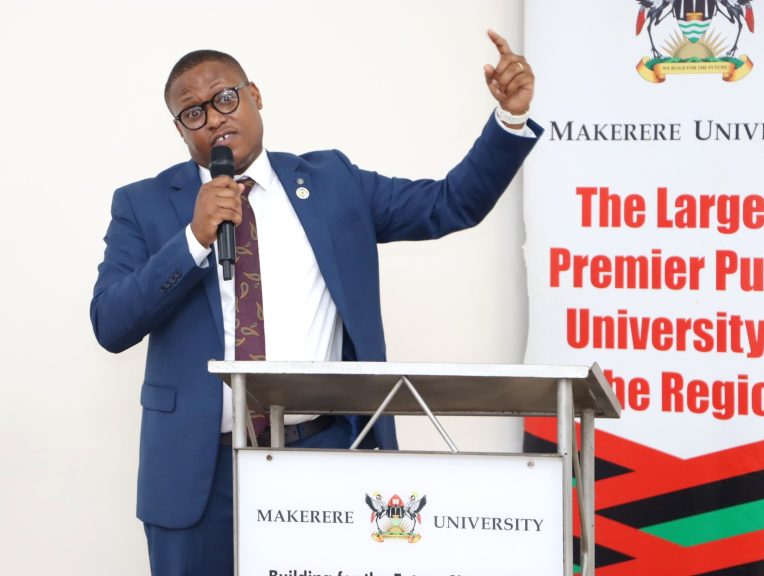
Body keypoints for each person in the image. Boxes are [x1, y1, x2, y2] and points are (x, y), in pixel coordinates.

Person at [90, 29, 541, 576]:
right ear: (180, 129)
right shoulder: (142, 205)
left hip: (325, 455)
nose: (213, 118)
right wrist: (192, 240)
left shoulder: (332, 183)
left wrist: (509, 120)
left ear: (255, 95)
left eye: (225, 97)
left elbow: (451, 203)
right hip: (198, 473)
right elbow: (110, 322)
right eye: (193, 112)